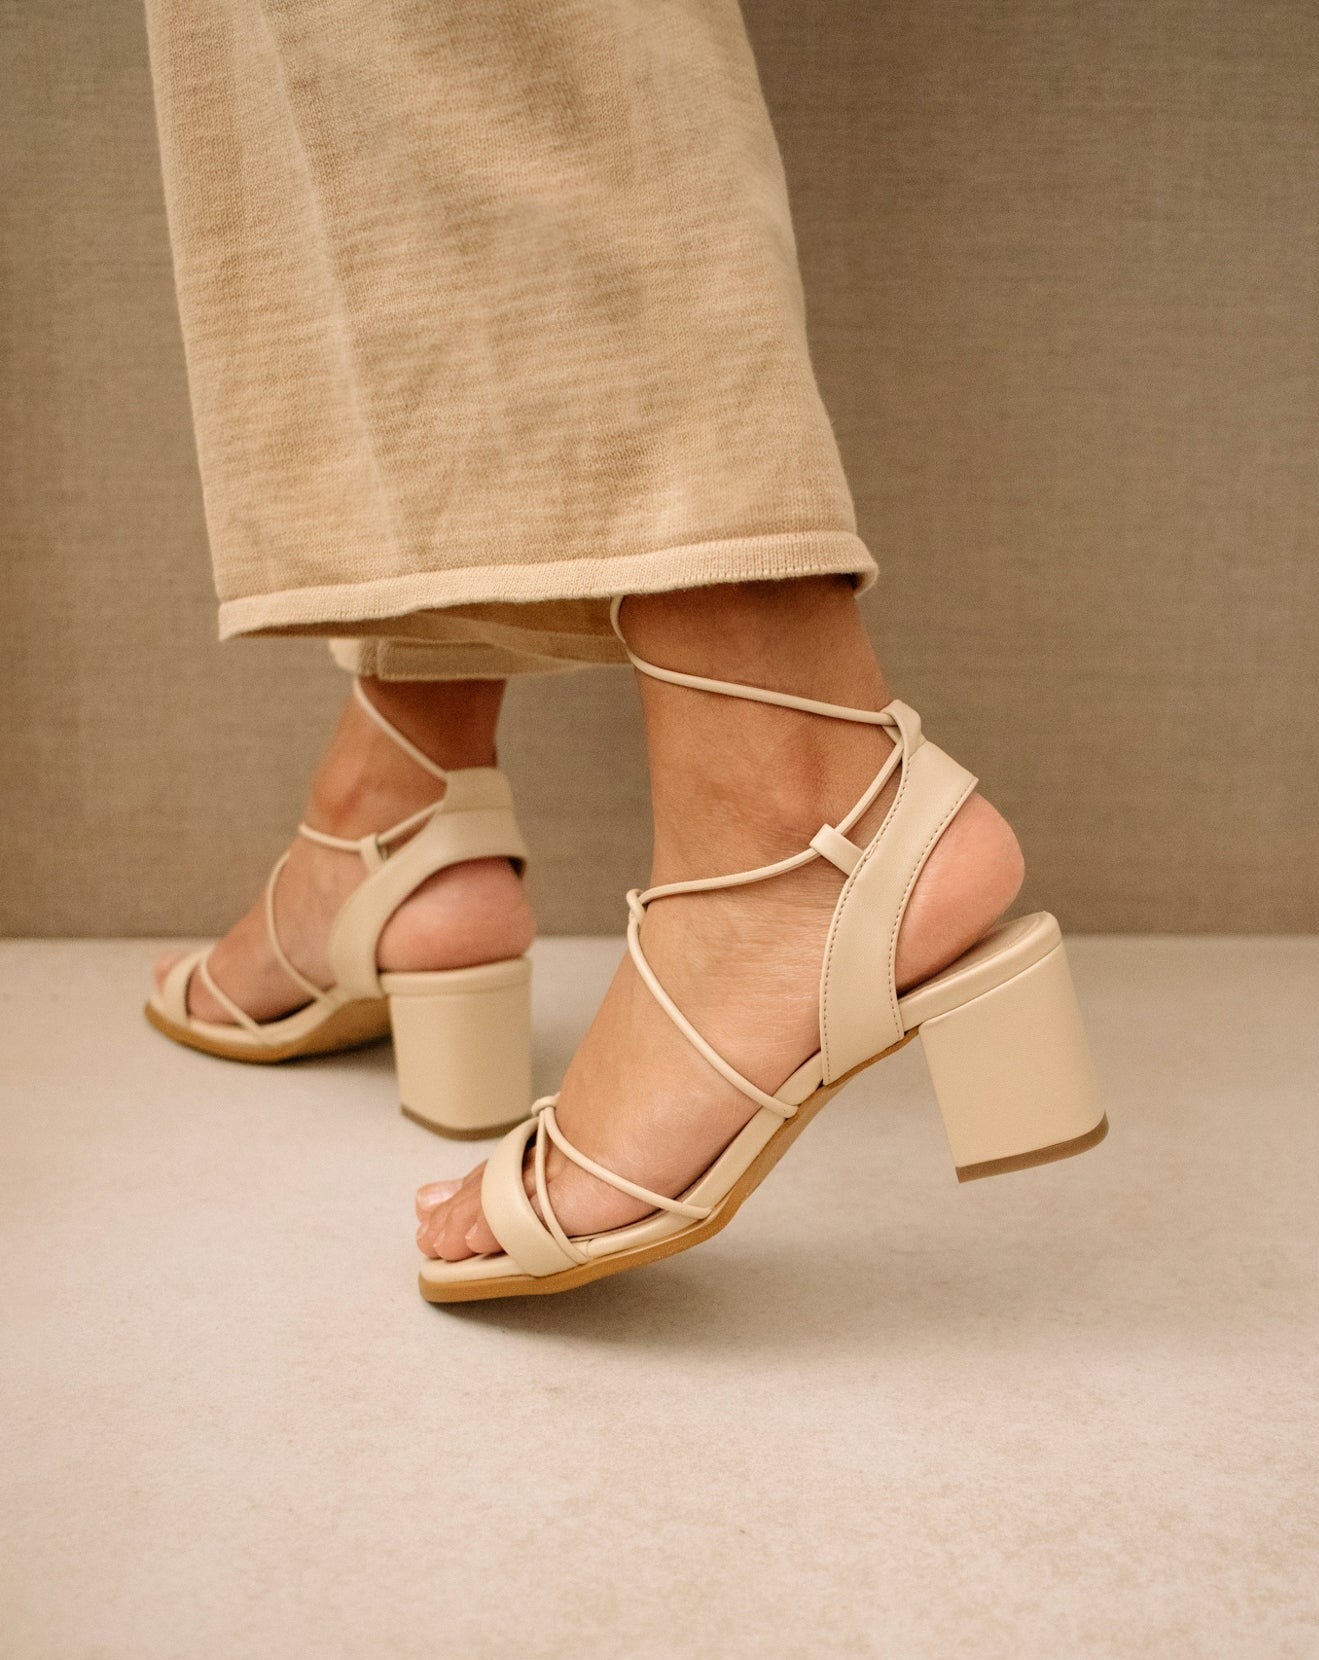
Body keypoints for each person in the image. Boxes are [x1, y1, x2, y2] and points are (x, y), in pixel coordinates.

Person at [143, 0, 1105, 1303]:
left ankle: (797, 794)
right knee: (324, 59)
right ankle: (408, 775)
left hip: (816, 841)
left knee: (477, 41)